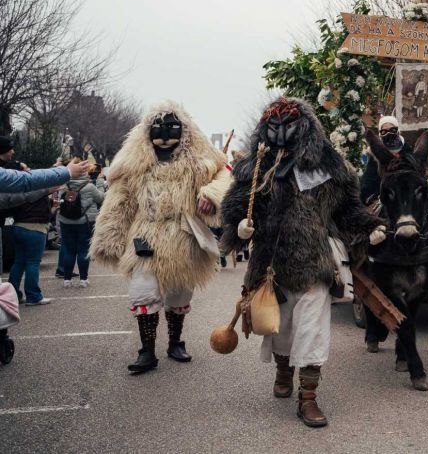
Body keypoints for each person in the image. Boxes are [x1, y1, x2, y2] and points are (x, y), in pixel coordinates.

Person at [221, 97, 382, 428]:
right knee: (280, 327)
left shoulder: (328, 167)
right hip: (271, 265)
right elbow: (237, 204)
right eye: (274, 127)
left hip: (315, 263)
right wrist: (239, 224)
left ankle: (307, 397)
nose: (281, 134)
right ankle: (283, 369)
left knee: (312, 330)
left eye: (289, 126)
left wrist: (369, 227)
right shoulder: (258, 166)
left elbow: (348, 210)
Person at [91, 102, 232, 374]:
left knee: (180, 293)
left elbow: (223, 175)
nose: (165, 137)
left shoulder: (199, 162)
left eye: (172, 130)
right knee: (143, 291)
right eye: (159, 130)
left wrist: (209, 196)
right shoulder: (135, 165)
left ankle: (175, 342)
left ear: (184, 133)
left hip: (183, 235)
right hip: (145, 235)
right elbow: (119, 201)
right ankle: (147, 350)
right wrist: (109, 238)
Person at [6, 160, 61, 306]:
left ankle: (13, 295)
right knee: (33, 263)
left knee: (19, 262)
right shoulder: (35, 188)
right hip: (34, 228)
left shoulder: (13, 189)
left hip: (18, 226)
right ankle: (33, 296)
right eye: (26, 168)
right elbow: (43, 212)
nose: (30, 170)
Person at [59, 167, 105, 287]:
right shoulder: (89, 187)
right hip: (85, 222)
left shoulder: (64, 185)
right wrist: (100, 182)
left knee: (69, 251)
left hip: (66, 222)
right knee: (83, 250)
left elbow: (60, 201)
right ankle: (83, 279)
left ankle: (67, 280)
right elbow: (101, 198)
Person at [360, 115, 411, 203]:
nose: (389, 133)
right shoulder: (375, 154)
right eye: (384, 131)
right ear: (380, 134)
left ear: (398, 131)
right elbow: (368, 181)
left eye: (392, 130)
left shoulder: (406, 149)